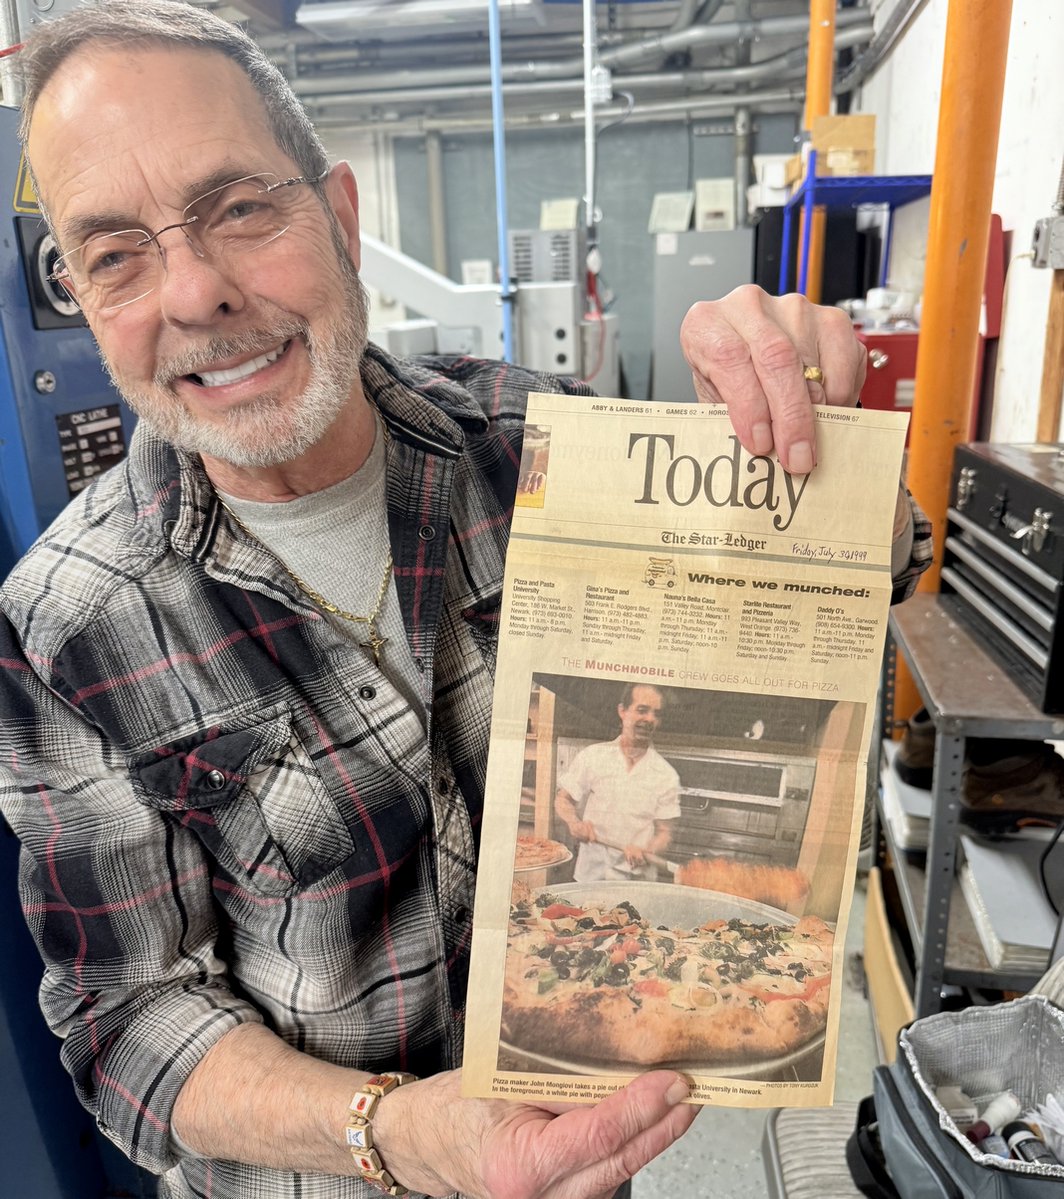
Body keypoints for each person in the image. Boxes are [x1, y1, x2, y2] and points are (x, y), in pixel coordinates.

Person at [0, 3, 932, 1198]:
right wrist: (394, 1132)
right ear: (77, 289)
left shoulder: (535, 444)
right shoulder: (68, 621)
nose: (193, 293)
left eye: (238, 207)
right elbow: (125, 1015)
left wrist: (815, 449)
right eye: (115, 253)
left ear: (337, 216)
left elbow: (845, 580)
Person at [555, 684, 680, 882]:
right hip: (590, 874)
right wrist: (574, 823)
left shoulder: (666, 774)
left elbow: (666, 832)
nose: (649, 719)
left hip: (636, 881)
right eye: (642, 710)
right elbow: (564, 799)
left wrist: (647, 850)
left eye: (656, 714)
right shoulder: (593, 756)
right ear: (622, 711)